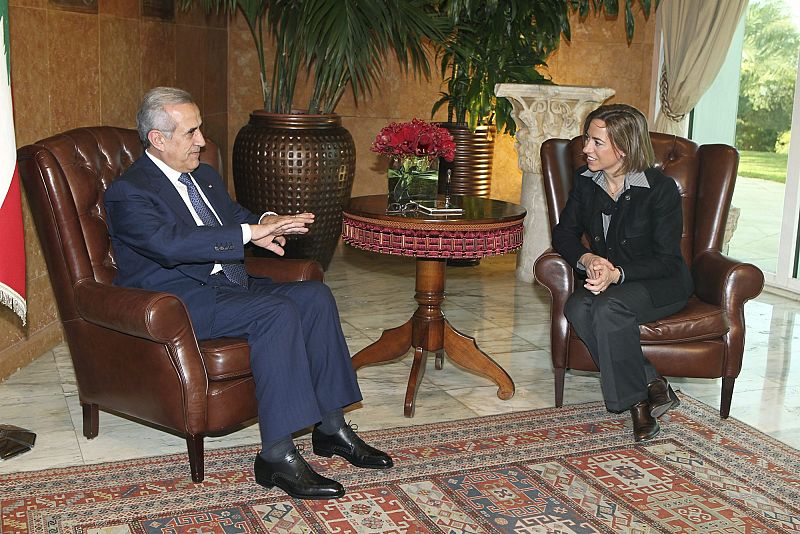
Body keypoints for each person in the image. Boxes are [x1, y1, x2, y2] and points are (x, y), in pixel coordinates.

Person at [104, 87, 392, 500]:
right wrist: (247, 234)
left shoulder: (201, 174)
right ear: (158, 139)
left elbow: (233, 216)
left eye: (199, 129)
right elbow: (169, 243)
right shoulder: (130, 191)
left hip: (226, 285)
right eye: (191, 132)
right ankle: (276, 455)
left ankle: (332, 429)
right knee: (275, 312)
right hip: (180, 301)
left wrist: (268, 222)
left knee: (314, 296)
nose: (202, 141)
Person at [551, 103, 693, 442]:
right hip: (612, 281)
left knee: (606, 308)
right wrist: (588, 260)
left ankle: (637, 407)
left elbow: (667, 260)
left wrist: (618, 274)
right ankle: (650, 382)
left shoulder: (660, 190)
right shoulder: (587, 183)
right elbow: (564, 234)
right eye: (588, 139)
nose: (586, 148)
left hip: (660, 283)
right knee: (575, 306)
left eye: (596, 142)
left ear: (624, 148)